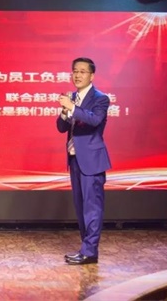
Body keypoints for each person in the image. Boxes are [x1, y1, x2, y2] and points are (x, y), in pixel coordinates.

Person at [57, 57, 111, 265]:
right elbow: (61, 128)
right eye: (75, 71)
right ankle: (86, 249)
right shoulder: (72, 97)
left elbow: (94, 120)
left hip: (92, 161)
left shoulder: (100, 98)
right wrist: (65, 112)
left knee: (92, 208)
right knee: (80, 208)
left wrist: (72, 107)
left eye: (82, 71)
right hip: (74, 159)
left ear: (92, 75)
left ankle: (90, 252)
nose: (77, 75)